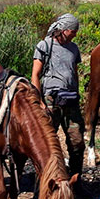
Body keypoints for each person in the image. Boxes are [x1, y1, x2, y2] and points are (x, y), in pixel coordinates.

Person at [32, 13, 86, 176]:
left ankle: (76, 180)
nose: (75, 34)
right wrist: (39, 101)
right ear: (62, 29)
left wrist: (77, 93)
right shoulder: (44, 46)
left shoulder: (74, 48)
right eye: (73, 31)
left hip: (71, 101)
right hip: (50, 101)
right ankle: (43, 181)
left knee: (77, 142)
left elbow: (74, 73)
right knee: (46, 143)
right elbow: (35, 74)